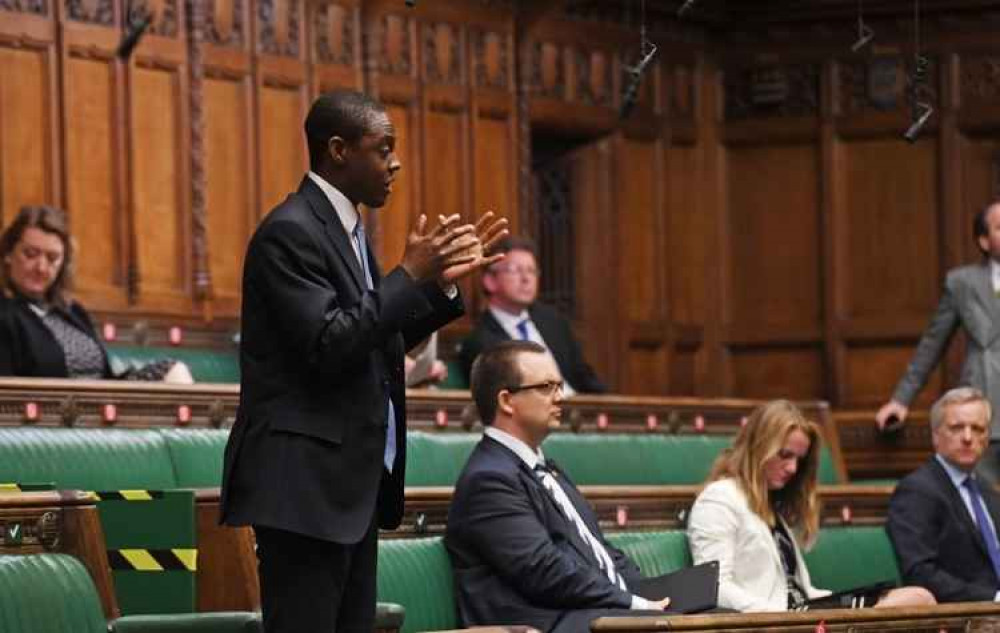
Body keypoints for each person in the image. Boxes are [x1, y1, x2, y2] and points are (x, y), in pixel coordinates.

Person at [219, 89, 506, 633]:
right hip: (303, 489)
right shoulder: (290, 231)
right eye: (383, 148)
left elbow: (374, 337)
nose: (395, 163)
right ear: (338, 151)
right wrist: (406, 276)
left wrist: (436, 285)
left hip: (348, 486)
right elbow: (330, 345)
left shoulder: (344, 229)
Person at [445, 340, 671, 633]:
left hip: (588, 612)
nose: (560, 397)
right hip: (545, 623)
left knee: (718, 616)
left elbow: (599, 550)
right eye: (546, 387)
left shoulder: (546, 469)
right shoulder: (489, 479)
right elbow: (544, 571)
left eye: (559, 385)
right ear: (506, 401)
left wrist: (650, 595)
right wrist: (633, 603)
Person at [688, 399, 934, 612]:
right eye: (784, 455)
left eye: (799, 459)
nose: (793, 469)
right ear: (757, 448)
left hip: (802, 613)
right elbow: (714, 587)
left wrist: (837, 604)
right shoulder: (719, 499)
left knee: (915, 598)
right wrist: (779, 615)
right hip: (776, 620)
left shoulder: (768, 505)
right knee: (915, 600)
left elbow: (798, 590)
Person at [876, 201, 1000, 480]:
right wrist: (900, 400)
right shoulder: (962, 283)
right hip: (982, 408)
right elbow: (932, 344)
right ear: (983, 240)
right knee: (981, 504)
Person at [0, 205, 192, 383]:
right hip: (52, 412)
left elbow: (105, 378)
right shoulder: (5, 314)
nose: (41, 267)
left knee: (174, 370)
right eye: (31, 254)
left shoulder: (72, 311)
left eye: (52, 258)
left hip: (101, 406)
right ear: (8, 254)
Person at [886, 387, 1000, 602]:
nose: (968, 437)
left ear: (987, 438)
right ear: (935, 436)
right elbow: (920, 573)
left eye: (977, 428)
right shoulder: (916, 491)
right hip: (962, 617)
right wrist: (994, 598)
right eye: (956, 428)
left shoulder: (987, 491)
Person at [458, 236, 606, 395]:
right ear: (490, 281)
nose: (526, 278)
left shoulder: (554, 322)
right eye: (515, 270)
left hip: (577, 410)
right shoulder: (480, 341)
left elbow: (585, 378)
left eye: (531, 270)